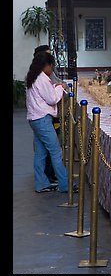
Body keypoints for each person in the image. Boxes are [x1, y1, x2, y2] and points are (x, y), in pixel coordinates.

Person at [25, 52, 73, 193]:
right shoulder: (41, 78)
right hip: (42, 119)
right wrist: (60, 87)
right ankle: (65, 185)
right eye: (52, 66)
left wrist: (54, 86)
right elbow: (52, 99)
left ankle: (41, 184)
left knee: (40, 153)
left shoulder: (32, 76)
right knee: (56, 152)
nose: (52, 69)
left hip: (34, 119)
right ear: (46, 65)